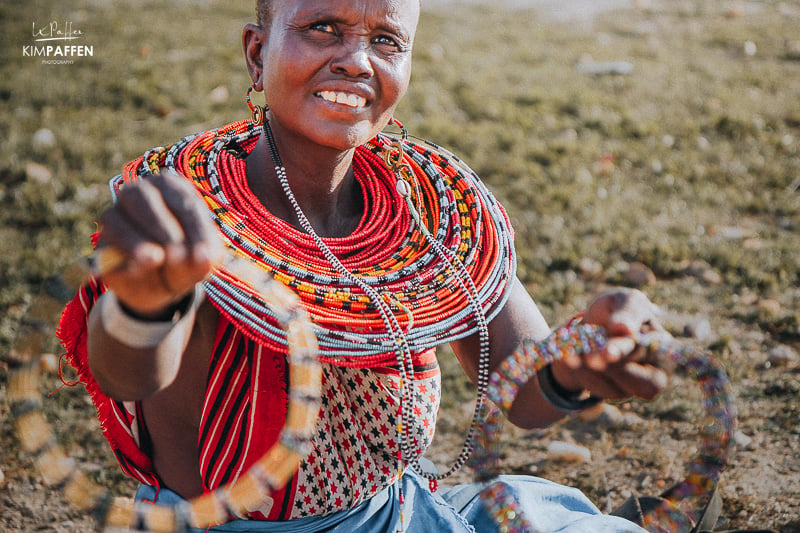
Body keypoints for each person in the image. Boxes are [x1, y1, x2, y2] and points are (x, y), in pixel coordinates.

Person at [58, 0, 669, 531]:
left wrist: (579, 361)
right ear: (256, 52)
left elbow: (527, 397)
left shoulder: (432, 214)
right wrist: (145, 303)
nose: (356, 60)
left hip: (398, 514)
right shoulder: (192, 215)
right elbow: (129, 374)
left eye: (386, 40)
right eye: (323, 27)